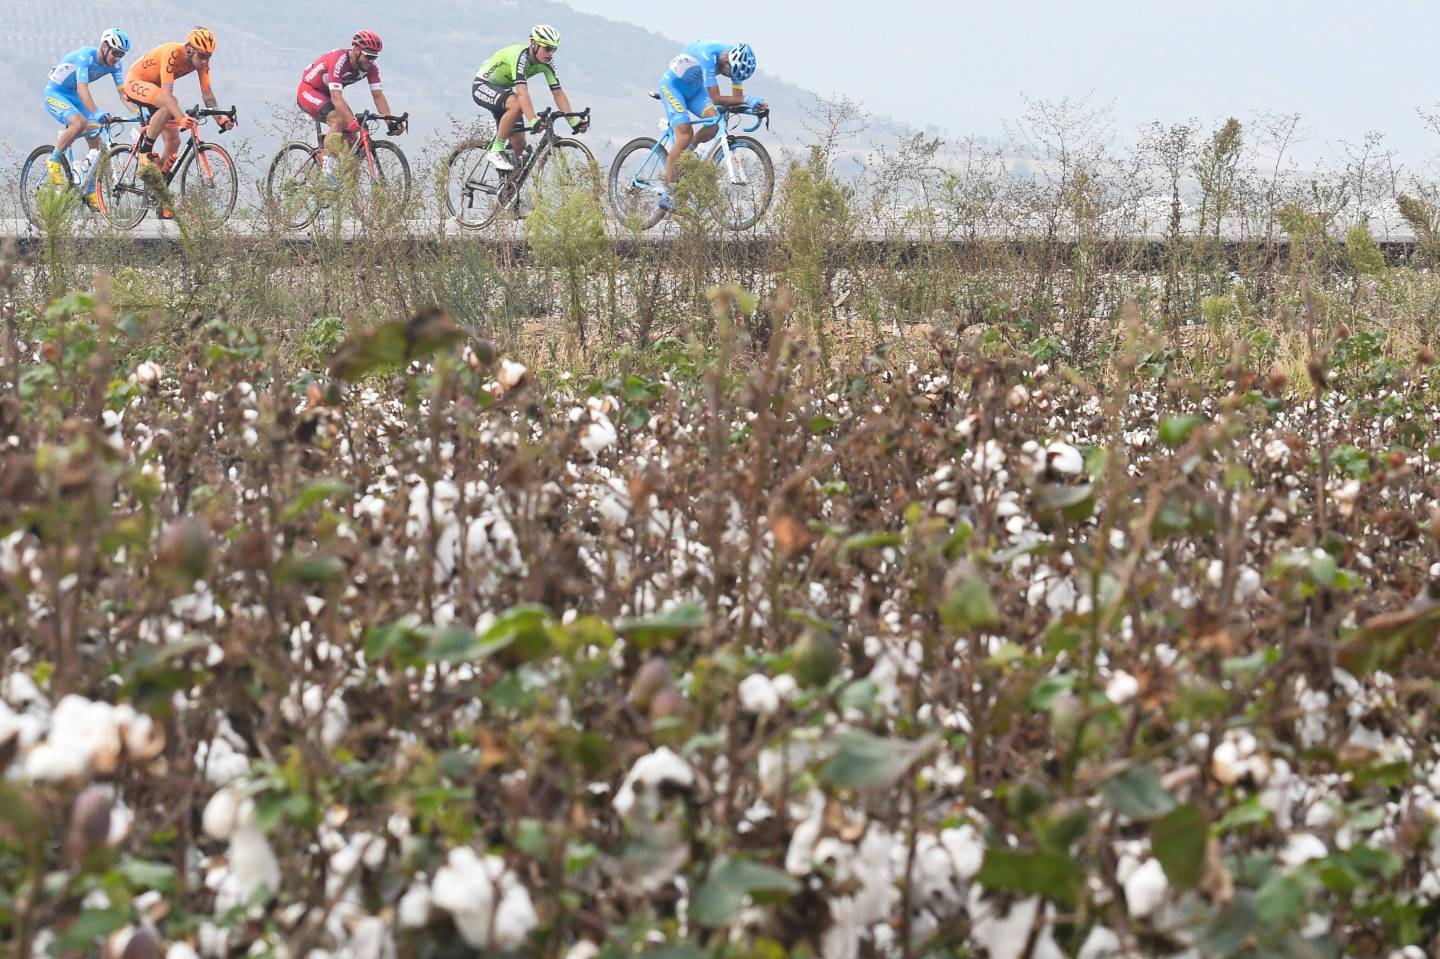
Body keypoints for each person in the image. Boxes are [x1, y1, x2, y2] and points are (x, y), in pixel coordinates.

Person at [656, 41, 764, 209]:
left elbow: (736, 99)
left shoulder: (734, 63)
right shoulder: (708, 56)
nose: (729, 77)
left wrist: (754, 107)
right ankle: (667, 192)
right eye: (729, 74)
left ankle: (686, 157)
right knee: (685, 135)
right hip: (673, 87)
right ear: (726, 60)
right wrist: (748, 99)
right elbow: (716, 98)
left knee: (713, 124)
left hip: (695, 90)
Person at [471, 24, 586, 172]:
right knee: (517, 104)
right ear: (534, 44)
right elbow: (522, 93)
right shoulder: (520, 57)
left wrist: (573, 122)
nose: (550, 53)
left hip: (504, 91)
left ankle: (507, 192)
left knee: (519, 144)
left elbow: (558, 93)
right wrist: (533, 120)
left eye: (554, 49)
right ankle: (496, 149)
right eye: (547, 48)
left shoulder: (547, 64)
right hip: (483, 85)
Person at [123, 27, 235, 175]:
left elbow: (207, 94)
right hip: (135, 82)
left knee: (174, 141)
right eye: (202, 55)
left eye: (209, 56)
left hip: (156, 90)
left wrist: (219, 119)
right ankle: (145, 151)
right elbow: (167, 94)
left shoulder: (202, 63)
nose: (205, 61)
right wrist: (181, 118)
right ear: (189, 50)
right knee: (169, 102)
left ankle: (157, 183)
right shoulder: (172, 53)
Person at [297, 30, 405, 181]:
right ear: (356, 51)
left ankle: (344, 179)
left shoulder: (371, 68)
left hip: (329, 95)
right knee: (338, 121)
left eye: (374, 57)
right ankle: (328, 174)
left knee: (353, 136)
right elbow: (336, 97)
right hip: (309, 90)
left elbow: (378, 95)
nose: (371, 60)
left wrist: (390, 123)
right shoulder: (339, 60)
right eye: (368, 56)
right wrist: (352, 122)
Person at [42, 29, 132, 206]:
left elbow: (124, 94)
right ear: (104, 47)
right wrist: (96, 112)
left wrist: (139, 112)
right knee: (80, 123)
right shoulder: (85, 55)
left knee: (98, 141)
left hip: (74, 98)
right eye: (115, 53)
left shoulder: (115, 65)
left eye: (121, 55)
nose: (117, 58)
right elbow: (83, 88)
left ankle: (90, 192)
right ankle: (53, 161)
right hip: (56, 94)